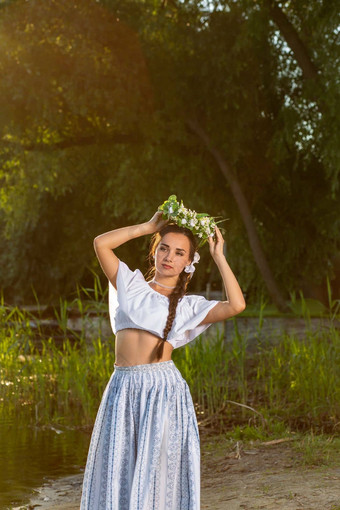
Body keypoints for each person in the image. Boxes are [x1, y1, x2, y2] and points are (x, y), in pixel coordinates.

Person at [80, 209, 246, 510]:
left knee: (156, 473)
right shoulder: (130, 286)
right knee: (119, 466)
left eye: (179, 253)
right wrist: (146, 227)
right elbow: (101, 243)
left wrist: (219, 256)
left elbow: (236, 304)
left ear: (187, 264)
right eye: (164, 248)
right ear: (154, 252)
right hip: (121, 387)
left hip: (161, 391)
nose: (169, 257)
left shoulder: (186, 305)